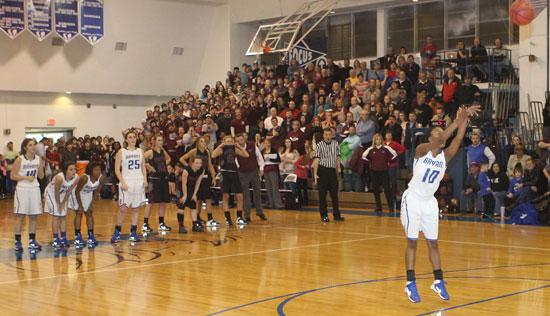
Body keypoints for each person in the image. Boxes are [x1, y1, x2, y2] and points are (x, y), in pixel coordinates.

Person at [401, 104, 480, 303]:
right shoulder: (420, 151)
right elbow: (444, 138)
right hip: (412, 200)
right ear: (431, 138)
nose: (441, 136)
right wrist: (458, 118)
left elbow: (459, 138)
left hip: (429, 203)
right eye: (437, 132)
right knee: (412, 242)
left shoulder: (445, 157)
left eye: (441, 131)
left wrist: (465, 119)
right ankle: (410, 283)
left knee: (433, 243)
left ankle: (438, 280)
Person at [110, 131, 147, 244]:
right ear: (126, 140)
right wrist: (122, 182)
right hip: (126, 182)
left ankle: (133, 232)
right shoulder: (121, 151)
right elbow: (116, 169)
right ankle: (117, 232)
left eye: (134, 137)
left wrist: (145, 180)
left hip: (138, 182)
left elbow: (143, 167)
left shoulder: (140, 151)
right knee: (123, 209)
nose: (132, 139)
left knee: (136, 208)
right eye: (130, 137)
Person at [11, 138, 45, 251]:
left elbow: (41, 176)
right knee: (21, 216)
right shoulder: (20, 159)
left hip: (34, 188)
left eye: (34, 145)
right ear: (25, 147)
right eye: (30, 145)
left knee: (33, 216)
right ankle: (17, 241)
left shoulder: (38, 159)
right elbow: (12, 176)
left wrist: (41, 167)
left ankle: (32, 240)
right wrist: (25, 177)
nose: (33, 147)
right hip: (22, 189)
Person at [180, 136, 220, 228]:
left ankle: (210, 219)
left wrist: (213, 177)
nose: (203, 143)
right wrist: (190, 168)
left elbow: (209, 165)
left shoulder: (207, 152)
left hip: (205, 177)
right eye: (201, 141)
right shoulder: (194, 151)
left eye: (205, 141)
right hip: (197, 178)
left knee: (208, 199)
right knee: (198, 200)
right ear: (198, 143)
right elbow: (182, 159)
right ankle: (197, 218)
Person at [211, 135, 249, 226]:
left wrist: (239, 146)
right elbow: (213, 155)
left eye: (230, 141)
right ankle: (228, 218)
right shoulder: (221, 150)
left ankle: (239, 217)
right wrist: (220, 145)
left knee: (240, 196)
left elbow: (246, 155)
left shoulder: (235, 150)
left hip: (234, 173)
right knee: (225, 196)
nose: (228, 143)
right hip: (225, 173)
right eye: (227, 141)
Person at [312, 128, 344, 222]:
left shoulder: (335, 144)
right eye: (326, 134)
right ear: (323, 136)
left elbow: (338, 157)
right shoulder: (319, 145)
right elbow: (316, 160)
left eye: (329, 134)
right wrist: (315, 174)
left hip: (332, 171)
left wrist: (338, 167)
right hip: (322, 170)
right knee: (322, 195)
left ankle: (336, 215)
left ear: (332, 135)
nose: (328, 136)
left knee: (334, 194)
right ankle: (324, 215)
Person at [142, 135, 172, 233]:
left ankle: (161, 223)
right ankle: (145, 224)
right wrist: (147, 165)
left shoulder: (163, 152)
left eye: (162, 140)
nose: (160, 142)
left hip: (163, 179)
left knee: (162, 202)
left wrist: (165, 164)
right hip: (154, 179)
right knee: (151, 202)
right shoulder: (150, 152)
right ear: (154, 141)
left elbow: (169, 159)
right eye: (159, 140)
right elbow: (140, 158)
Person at [44, 162, 79, 248]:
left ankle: (63, 238)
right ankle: (56, 239)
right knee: (56, 215)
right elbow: (56, 192)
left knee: (63, 216)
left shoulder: (77, 177)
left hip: (63, 194)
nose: (73, 171)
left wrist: (63, 203)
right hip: (51, 193)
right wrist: (59, 204)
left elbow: (69, 191)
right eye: (71, 169)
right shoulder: (59, 178)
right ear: (65, 171)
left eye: (75, 169)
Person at [71, 162, 104, 246]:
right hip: (78, 194)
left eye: (99, 170)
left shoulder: (101, 178)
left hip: (88, 194)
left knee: (89, 213)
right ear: (90, 171)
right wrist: (81, 205)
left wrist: (92, 204)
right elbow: (77, 191)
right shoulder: (85, 178)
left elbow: (97, 192)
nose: (98, 172)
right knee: (79, 212)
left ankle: (91, 235)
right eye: (96, 170)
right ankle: (77, 236)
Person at [235, 133, 267, 222]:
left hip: (254, 171)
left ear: (244, 140)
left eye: (240, 140)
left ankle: (259, 212)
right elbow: (235, 161)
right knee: (245, 195)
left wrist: (261, 168)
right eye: (237, 141)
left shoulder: (252, 145)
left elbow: (259, 157)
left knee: (257, 192)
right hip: (242, 173)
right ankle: (247, 215)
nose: (239, 142)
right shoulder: (235, 149)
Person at [362, 134, 398, 212]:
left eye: (379, 139)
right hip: (374, 172)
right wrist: (370, 163)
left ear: (382, 140)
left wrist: (389, 162)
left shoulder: (386, 148)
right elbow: (363, 157)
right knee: (375, 190)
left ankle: (391, 207)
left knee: (387, 189)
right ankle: (378, 207)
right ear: (374, 140)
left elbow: (395, 155)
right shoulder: (370, 149)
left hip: (384, 172)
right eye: (377, 139)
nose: (378, 141)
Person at [179, 157, 206, 232]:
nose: (199, 165)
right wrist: (184, 195)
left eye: (200, 163)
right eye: (197, 163)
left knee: (193, 206)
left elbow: (198, 183)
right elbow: (183, 184)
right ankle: (181, 226)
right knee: (182, 206)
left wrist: (194, 194)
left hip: (191, 187)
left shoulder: (201, 170)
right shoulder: (186, 170)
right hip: (181, 188)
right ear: (192, 163)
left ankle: (194, 226)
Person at [262, 138, 284, 210]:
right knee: (268, 188)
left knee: (275, 188)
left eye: (268, 143)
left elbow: (278, 160)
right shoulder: (263, 151)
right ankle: (271, 204)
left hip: (273, 169)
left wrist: (270, 159)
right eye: (265, 143)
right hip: (265, 170)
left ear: (270, 143)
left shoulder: (274, 150)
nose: (267, 144)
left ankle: (278, 204)